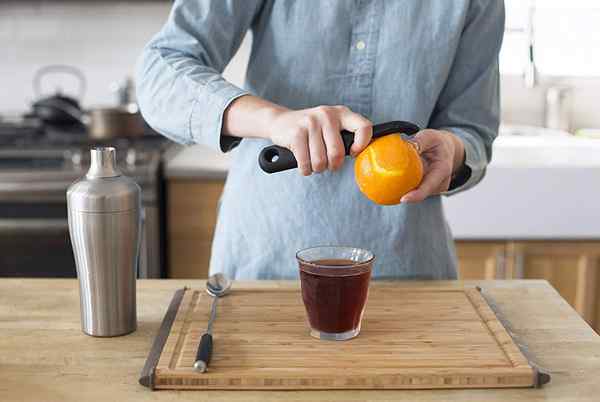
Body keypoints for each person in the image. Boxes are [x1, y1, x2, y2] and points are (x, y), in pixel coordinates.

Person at [136, 0, 504, 280]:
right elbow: (159, 75)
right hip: (265, 264)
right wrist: (274, 120)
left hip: (406, 269)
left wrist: (454, 151)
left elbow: (473, 131)